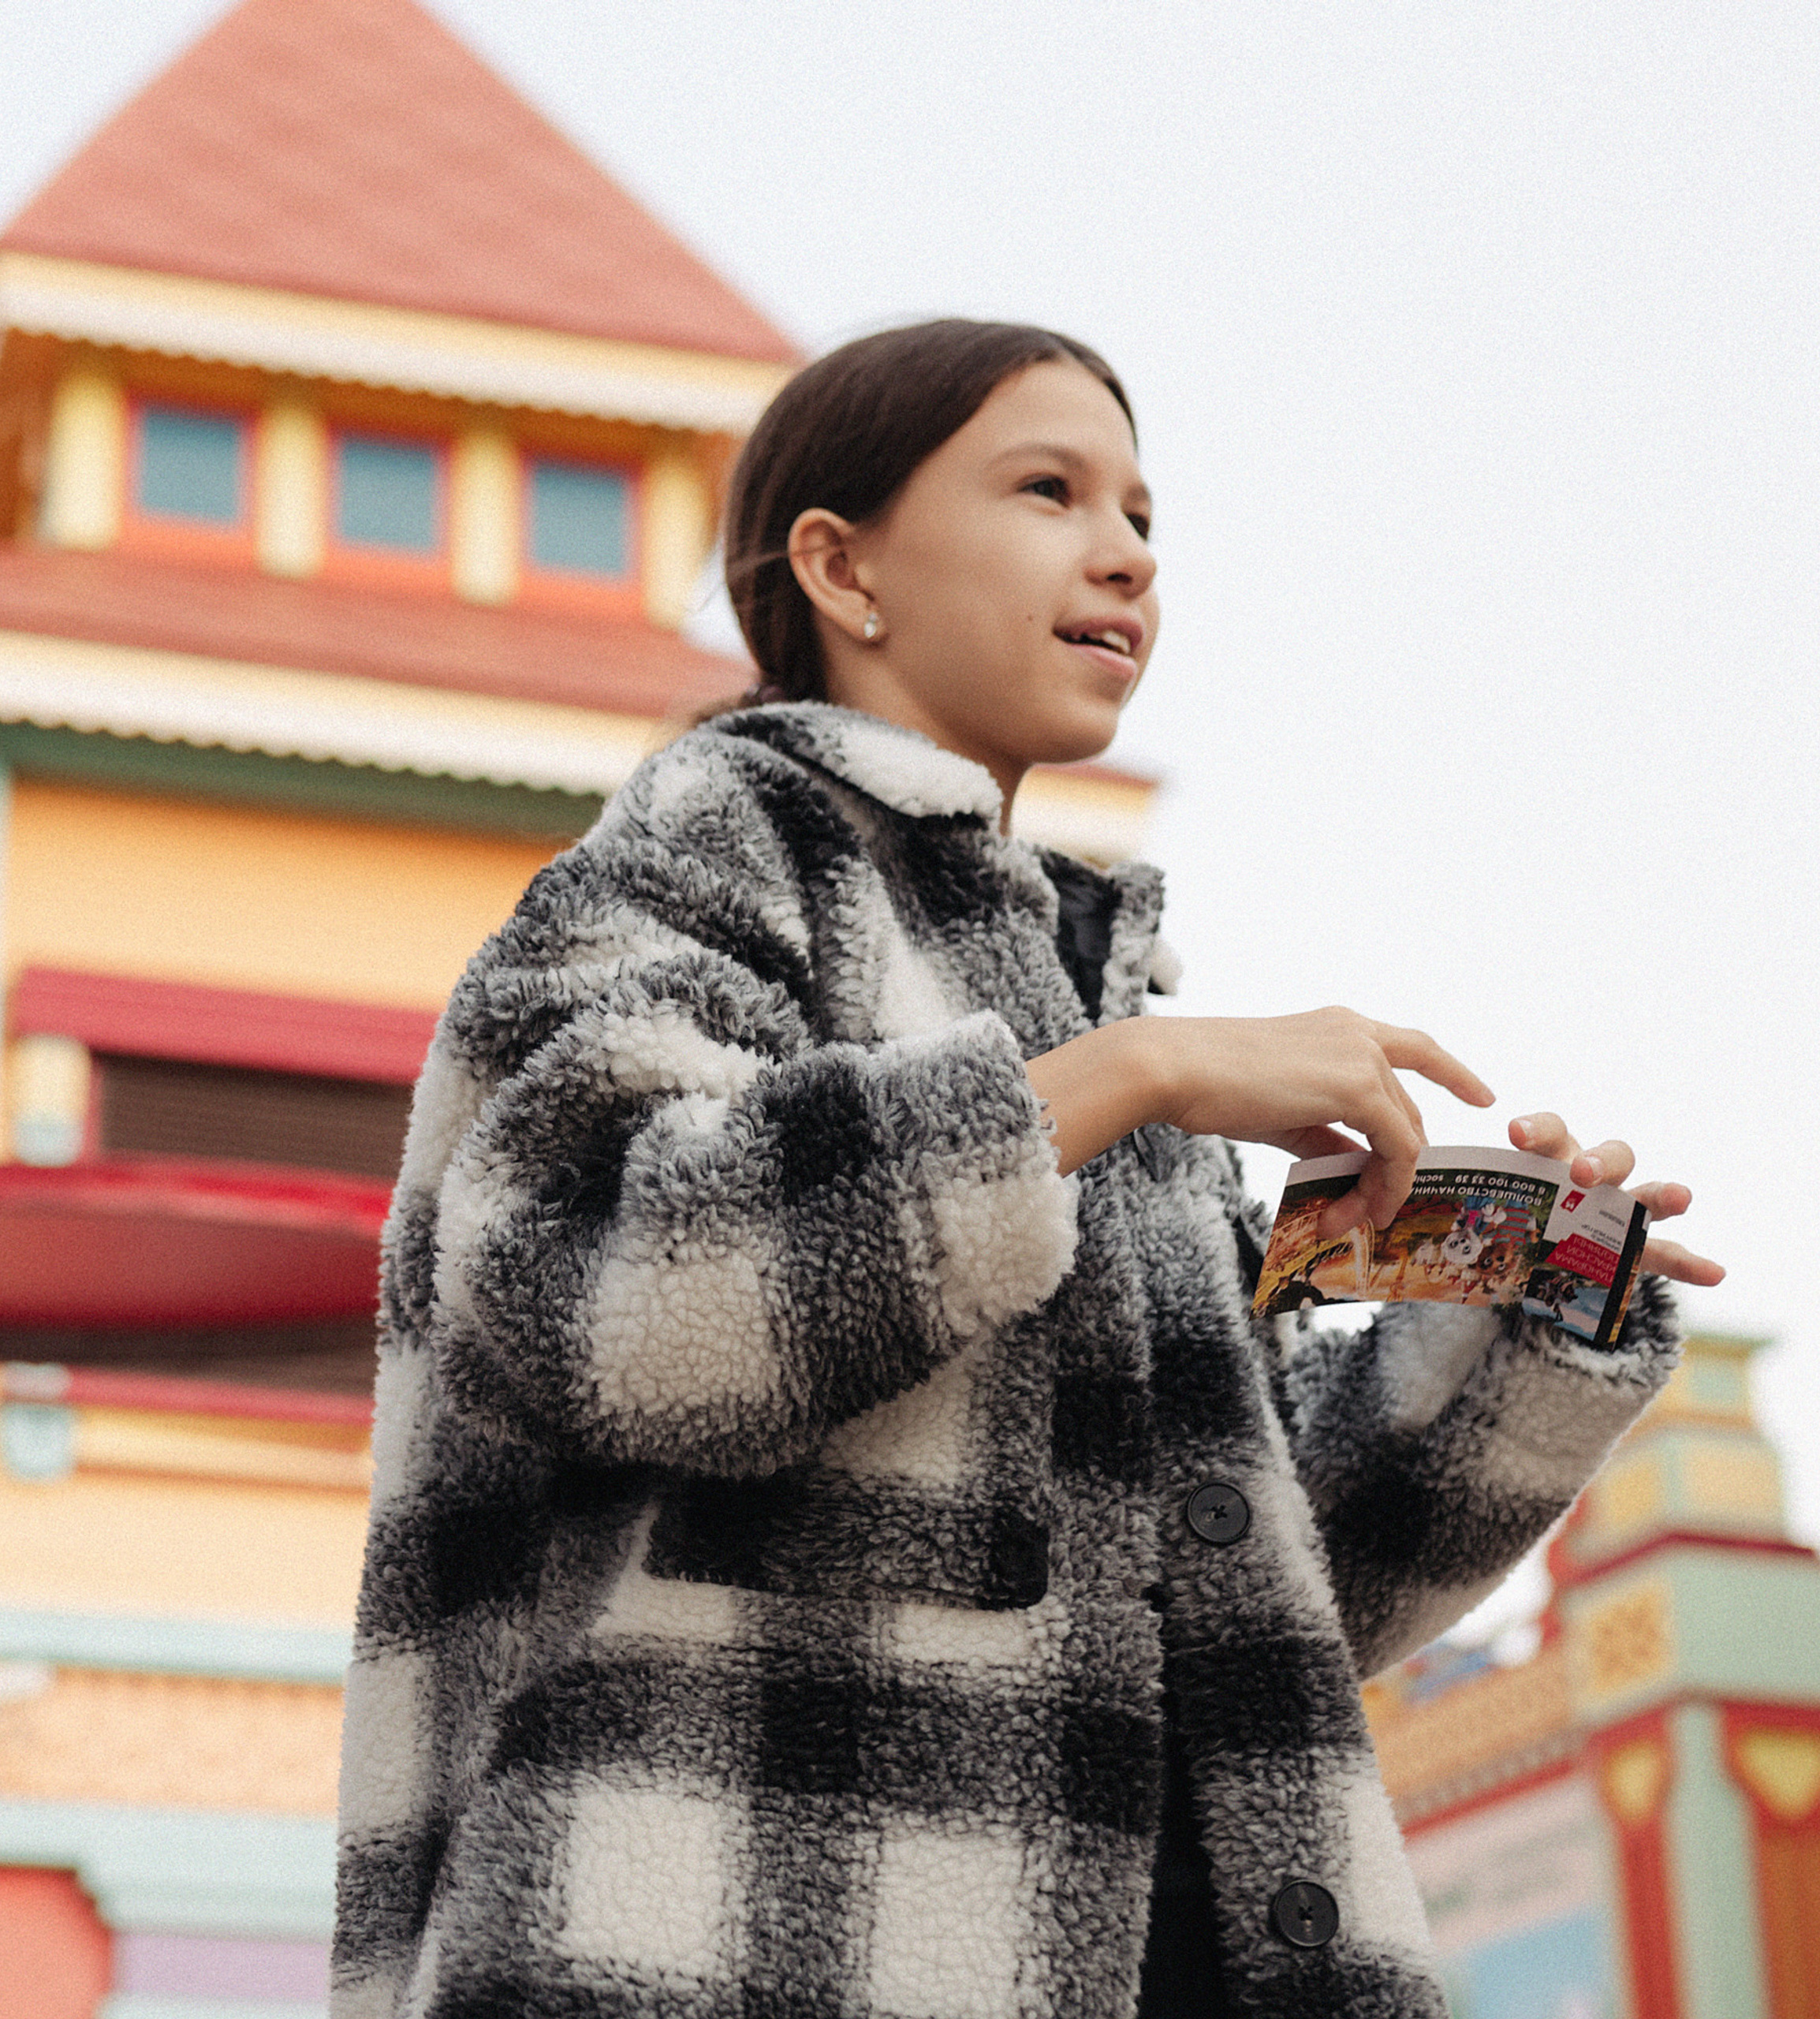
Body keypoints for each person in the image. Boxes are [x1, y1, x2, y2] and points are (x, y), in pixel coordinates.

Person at [331, 320, 1719, 2019]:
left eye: (1142, 513)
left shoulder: (1077, 990)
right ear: (842, 569)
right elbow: (595, 1292)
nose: (1124, 550)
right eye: (1047, 488)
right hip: (722, 1951)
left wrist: (1529, 1299)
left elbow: (1266, 1606)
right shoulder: (705, 851)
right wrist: (1135, 1074)